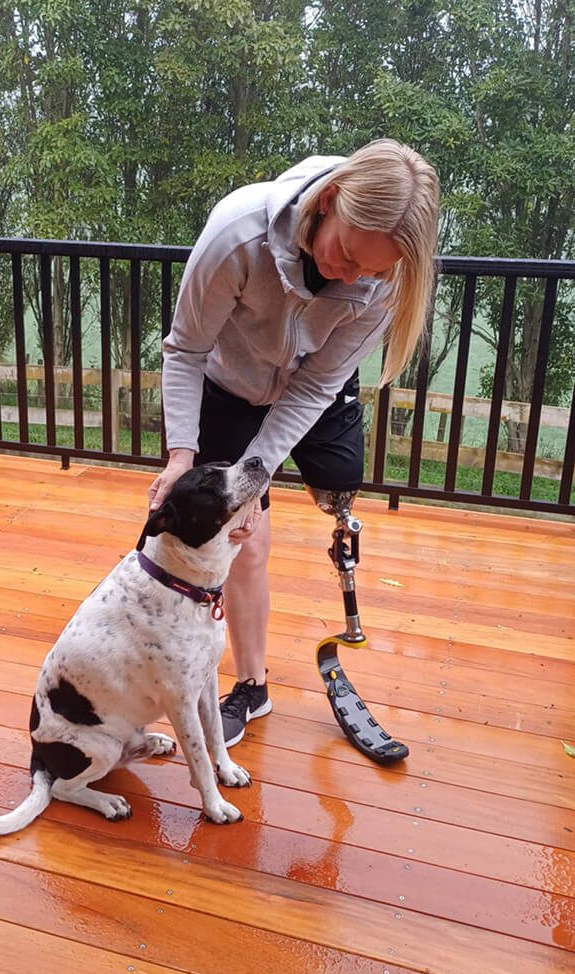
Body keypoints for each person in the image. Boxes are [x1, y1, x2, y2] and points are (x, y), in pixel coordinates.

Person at [148, 138, 440, 748]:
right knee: (244, 545)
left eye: (372, 272)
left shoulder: (384, 282)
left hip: (313, 385)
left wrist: (261, 465)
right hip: (227, 385)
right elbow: (185, 351)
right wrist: (185, 455)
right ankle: (252, 687)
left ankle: (316, 490)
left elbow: (314, 388)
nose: (351, 277)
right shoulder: (239, 233)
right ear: (328, 202)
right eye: (347, 256)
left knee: (338, 484)